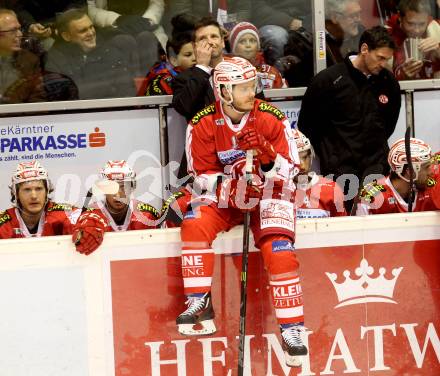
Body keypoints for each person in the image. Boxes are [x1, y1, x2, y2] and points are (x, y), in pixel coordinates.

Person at [175, 56, 307, 367]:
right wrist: (230, 188)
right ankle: (199, 302)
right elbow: (200, 175)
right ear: (223, 90)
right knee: (194, 223)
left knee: (280, 251)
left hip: (269, 195)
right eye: (244, 87)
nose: (252, 92)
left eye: (253, 85)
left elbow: (290, 172)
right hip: (228, 197)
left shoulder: (272, 118)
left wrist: (266, 158)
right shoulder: (203, 122)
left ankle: (293, 330)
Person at [298, 26, 401, 212]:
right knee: (342, 221)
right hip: (340, 170)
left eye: (388, 59)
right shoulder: (329, 80)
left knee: (376, 217)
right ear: (364, 49)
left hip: (375, 167)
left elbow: (389, 124)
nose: (384, 64)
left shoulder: (389, 83)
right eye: (380, 58)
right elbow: (307, 125)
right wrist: (333, 155)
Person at [72, 160, 160, 255]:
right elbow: (82, 229)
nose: (118, 194)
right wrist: (87, 226)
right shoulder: (92, 213)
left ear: (131, 188)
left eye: (123, 187)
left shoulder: (147, 215)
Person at [46, 9, 136, 99]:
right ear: (67, 36)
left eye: (91, 27)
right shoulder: (55, 60)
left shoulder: (108, 48)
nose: (91, 33)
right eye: (83, 31)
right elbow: (61, 99)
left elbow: (127, 88)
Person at [356, 137, 440, 214]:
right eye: (426, 167)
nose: (431, 172)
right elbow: (358, 229)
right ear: (410, 171)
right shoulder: (370, 195)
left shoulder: (432, 185)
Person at [0, 161, 80, 239]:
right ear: (16, 194)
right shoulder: (3, 222)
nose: (34, 196)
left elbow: (87, 213)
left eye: (39, 189)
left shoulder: (63, 213)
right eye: (27, 190)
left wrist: (91, 221)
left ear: (47, 191)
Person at [172, 17, 226, 122]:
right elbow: (183, 108)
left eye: (214, 36)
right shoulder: (183, 78)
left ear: (223, 42)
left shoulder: (242, 69)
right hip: (205, 137)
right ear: (194, 46)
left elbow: (259, 106)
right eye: (203, 39)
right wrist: (202, 67)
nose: (209, 42)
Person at [292, 129, 347, 219]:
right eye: (296, 159)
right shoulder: (277, 190)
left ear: (311, 155)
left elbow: (342, 227)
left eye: (305, 157)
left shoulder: (331, 189)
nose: (302, 165)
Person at [139, 17, 195, 96]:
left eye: (197, 53)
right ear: (174, 60)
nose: (195, 58)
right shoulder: (162, 82)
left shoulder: (203, 73)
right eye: (188, 55)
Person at [387, 0, 440, 79]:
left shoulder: (437, 28)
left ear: (428, 19)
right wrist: (403, 75)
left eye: (422, 24)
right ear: (400, 18)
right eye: (410, 24)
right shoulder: (388, 35)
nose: (417, 30)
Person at [229, 21, 287, 89]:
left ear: (258, 46)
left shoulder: (271, 73)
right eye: (242, 41)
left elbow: (284, 97)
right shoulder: (224, 73)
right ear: (234, 48)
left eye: (252, 41)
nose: (248, 45)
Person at [325, 0, 365, 64]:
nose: (359, 19)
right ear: (335, 17)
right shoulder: (319, 42)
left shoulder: (362, 32)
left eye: (359, 13)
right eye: (353, 15)